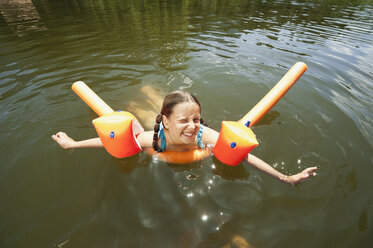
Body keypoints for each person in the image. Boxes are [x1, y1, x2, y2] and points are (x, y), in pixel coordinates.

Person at [52, 89, 317, 185]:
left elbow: (246, 157)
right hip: (160, 129)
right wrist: (72, 144)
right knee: (143, 116)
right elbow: (110, 142)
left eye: (196, 118)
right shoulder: (155, 139)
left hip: (180, 138)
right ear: (166, 122)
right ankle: (149, 95)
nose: (192, 126)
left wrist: (286, 178)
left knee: (178, 116)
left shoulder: (206, 135)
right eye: (184, 120)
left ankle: (155, 96)